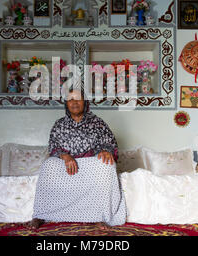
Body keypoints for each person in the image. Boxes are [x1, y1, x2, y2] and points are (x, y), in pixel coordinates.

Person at [26, 89, 126, 230]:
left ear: (85, 102)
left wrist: (106, 151)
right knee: (49, 165)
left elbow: (109, 143)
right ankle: (40, 215)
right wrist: (65, 156)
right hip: (66, 165)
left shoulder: (97, 123)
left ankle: (100, 216)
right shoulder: (59, 124)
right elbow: (53, 148)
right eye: (70, 99)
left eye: (78, 98)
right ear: (66, 103)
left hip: (90, 165)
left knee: (106, 165)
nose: (74, 102)